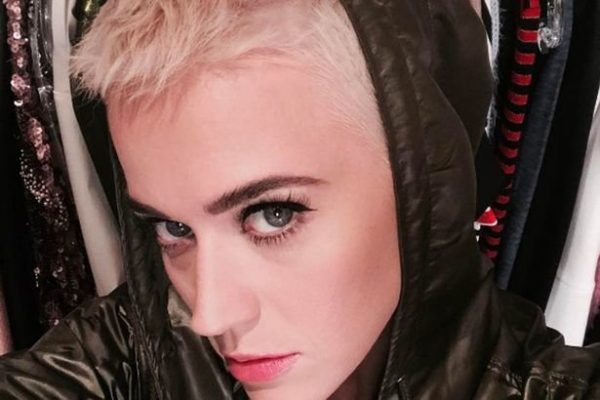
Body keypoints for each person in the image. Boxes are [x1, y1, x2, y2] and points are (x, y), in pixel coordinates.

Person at [1, 1, 599, 399]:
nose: (209, 315)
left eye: (272, 214)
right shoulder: (129, 351)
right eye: (172, 229)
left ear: (425, 189)